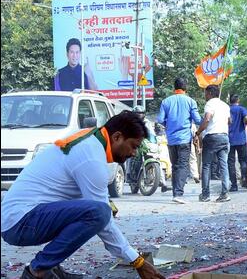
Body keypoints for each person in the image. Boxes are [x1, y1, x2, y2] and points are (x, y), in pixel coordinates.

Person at [1, 111, 164, 279]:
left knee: (100, 210)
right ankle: (38, 271)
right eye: (134, 146)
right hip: (20, 222)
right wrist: (137, 262)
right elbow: (103, 220)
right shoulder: (91, 158)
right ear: (117, 137)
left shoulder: (92, 141)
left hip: (20, 218)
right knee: (99, 212)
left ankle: (52, 269)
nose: (134, 153)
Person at [157, 78, 202, 204]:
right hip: (184, 139)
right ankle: (178, 193)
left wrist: (169, 124)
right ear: (185, 88)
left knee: (175, 165)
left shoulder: (166, 102)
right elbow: (198, 120)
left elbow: (160, 119)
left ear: (174, 88)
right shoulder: (190, 101)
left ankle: (175, 193)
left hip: (171, 139)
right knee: (183, 166)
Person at [196, 85, 232, 202]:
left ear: (210, 93)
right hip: (224, 137)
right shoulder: (225, 105)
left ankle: (205, 195)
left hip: (212, 137)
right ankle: (225, 193)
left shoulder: (210, 104)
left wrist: (198, 131)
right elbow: (229, 121)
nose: (205, 96)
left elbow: (207, 119)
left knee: (206, 166)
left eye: (206, 93)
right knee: (223, 165)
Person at [228, 94, 247, 191]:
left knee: (231, 162)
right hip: (241, 139)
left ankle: (234, 185)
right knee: (243, 161)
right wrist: (244, 123)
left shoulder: (227, 109)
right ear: (238, 100)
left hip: (229, 139)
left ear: (230, 101)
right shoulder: (242, 109)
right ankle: (244, 179)